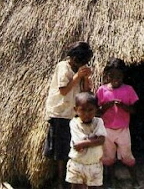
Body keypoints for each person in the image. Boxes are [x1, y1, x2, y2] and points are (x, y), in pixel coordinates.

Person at [45, 41, 94, 188]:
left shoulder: (79, 69)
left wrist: (85, 78)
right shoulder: (63, 67)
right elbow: (63, 90)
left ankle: (72, 179)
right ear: (72, 57)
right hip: (60, 113)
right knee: (61, 150)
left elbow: (86, 91)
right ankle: (61, 182)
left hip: (73, 113)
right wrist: (78, 76)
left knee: (73, 147)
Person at [96, 58, 139, 188]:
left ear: (123, 76)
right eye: (112, 76)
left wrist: (124, 107)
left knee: (127, 156)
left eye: (119, 76)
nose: (116, 79)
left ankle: (134, 179)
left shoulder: (129, 89)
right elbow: (97, 112)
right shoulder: (102, 90)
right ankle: (112, 181)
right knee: (108, 157)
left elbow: (134, 110)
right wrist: (105, 107)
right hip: (107, 129)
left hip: (123, 129)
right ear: (107, 75)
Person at [66, 92, 107, 189]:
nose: (87, 114)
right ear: (76, 110)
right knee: (76, 186)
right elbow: (77, 145)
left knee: (94, 187)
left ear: (96, 109)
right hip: (77, 163)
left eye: (90, 110)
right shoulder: (74, 123)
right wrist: (94, 140)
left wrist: (85, 143)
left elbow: (101, 140)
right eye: (83, 110)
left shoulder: (98, 122)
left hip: (94, 164)